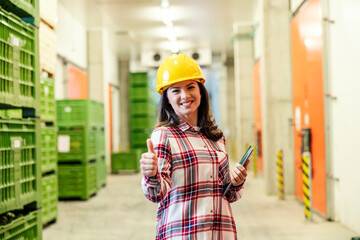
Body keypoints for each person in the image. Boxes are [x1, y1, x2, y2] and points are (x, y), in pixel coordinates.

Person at [140, 53, 249, 239]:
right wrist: (151, 175)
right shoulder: (164, 136)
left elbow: (227, 194)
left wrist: (236, 182)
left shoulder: (216, 138)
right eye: (176, 90)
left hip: (221, 233)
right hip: (184, 234)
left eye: (191, 87)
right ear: (167, 98)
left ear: (200, 91)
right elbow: (156, 194)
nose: (185, 95)